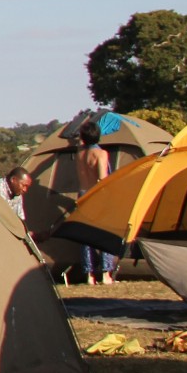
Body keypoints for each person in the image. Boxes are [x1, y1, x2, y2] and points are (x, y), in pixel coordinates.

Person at [75, 118, 116, 286]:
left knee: (86, 237)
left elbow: (80, 142)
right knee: (104, 233)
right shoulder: (100, 154)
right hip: (96, 195)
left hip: (82, 194)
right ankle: (106, 274)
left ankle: (89, 275)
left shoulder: (79, 154)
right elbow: (102, 179)